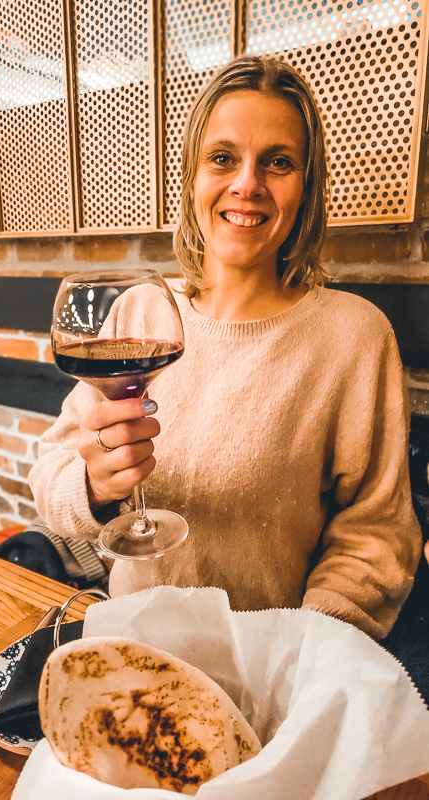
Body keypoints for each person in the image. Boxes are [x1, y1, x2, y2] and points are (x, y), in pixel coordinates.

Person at [29, 54, 422, 641]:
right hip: (134, 645)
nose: (247, 184)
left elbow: (377, 537)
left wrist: (301, 656)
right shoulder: (143, 312)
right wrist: (94, 484)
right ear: (193, 176)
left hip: (273, 668)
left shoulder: (356, 338)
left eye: (278, 162)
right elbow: (52, 474)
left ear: (306, 187)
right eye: (222, 157)